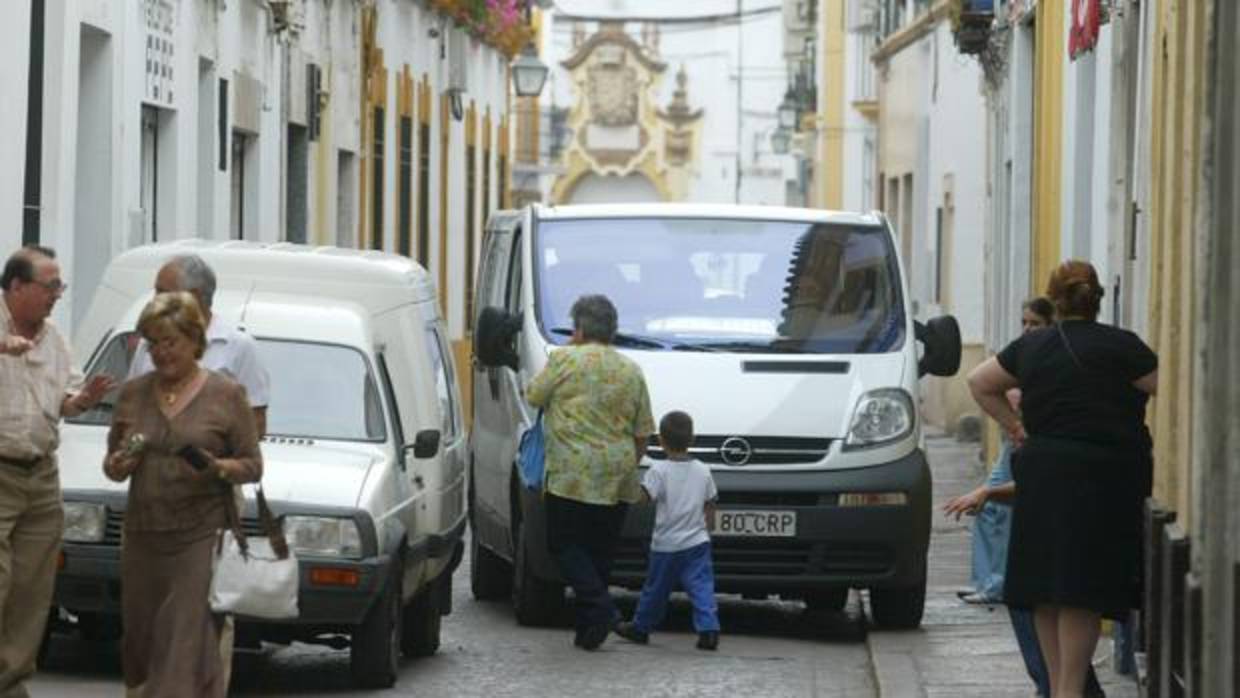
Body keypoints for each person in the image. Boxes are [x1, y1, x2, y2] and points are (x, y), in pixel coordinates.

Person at [966, 260, 1157, 698]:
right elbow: (1166, 384)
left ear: (1055, 299)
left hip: (1042, 474)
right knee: (1080, 589)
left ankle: (1057, 688)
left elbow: (979, 382)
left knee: (1045, 587)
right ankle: (1070, 689)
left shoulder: (1032, 346)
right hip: (1102, 479)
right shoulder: (1121, 346)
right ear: (1097, 299)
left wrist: (1016, 428)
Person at [103, 292, 262, 697]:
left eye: (170, 342)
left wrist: (219, 468)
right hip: (144, 535)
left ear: (194, 340)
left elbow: (252, 464)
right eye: (153, 343)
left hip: (200, 534)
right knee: (142, 643)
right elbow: (112, 462)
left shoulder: (226, 395)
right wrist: (120, 464)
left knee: (183, 641)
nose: (160, 353)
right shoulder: (134, 393)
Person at [945, 296, 1105, 698]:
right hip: (1035, 471)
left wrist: (990, 488)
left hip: (1054, 490)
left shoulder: (1053, 375)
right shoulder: (1034, 365)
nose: (1028, 331)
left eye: (1035, 323)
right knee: (1037, 600)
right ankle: (1060, 686)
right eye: (1024, 324)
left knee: (1044, 600)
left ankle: (1059, 687)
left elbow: (1048, 476)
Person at [0, 246, 112, 696]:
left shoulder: (56, 341)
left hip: (41, 477)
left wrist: (84, 400)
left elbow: (67, 398)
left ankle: (10, 683)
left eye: (59, 287)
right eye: (50, 287)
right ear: (16, 287)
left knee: (31, 590)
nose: (57, 295)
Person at [526, 294, 656, 651]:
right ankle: (589, 630)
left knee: (564, 545)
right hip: (617, 473)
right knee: (600, 552)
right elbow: (643, 429)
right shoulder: (631, 369)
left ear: (579, 328)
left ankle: (603, 611)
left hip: (571, 474)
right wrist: (629, 461)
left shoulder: (564, 359)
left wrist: (569, 348)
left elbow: (533, 396)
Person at [128, 254, 269, 436]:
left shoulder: (239, 347)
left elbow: (256, 424)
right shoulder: (148, 344)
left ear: (193, 296)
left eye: (162, 292)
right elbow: (131, 410)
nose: (155, 300)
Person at [614, 410, 720, 650]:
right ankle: (709, 629)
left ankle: (641, 628)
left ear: (660, 441)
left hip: (666, 545)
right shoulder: (703, 470)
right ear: (692, 440)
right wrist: (709, 527)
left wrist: (625, 485)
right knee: (702, 587)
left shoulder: (658, 471)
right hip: (697, 542)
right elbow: (711, 501)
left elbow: (643, 498)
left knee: (656, 590)